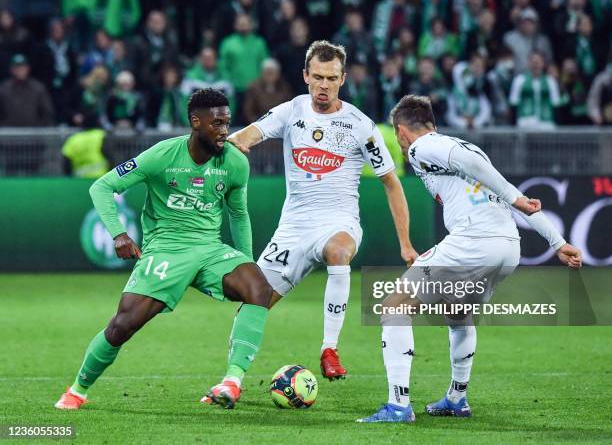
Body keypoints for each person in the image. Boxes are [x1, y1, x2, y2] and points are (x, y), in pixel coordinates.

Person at [357, 95, 582, 423]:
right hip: (507, 247)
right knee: (458, 313)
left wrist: (514, 198)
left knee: (394, 306)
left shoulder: (424, 147)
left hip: (475, 242)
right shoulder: (467, 147)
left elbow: (506, 190)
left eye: (399, 138)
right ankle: (456, 399)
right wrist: (557, 241)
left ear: (401, 132)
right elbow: (507, 190)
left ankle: (397, 406)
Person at [54, 88, 273, 410]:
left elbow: (238, 214)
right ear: (195, 122)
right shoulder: (162, 155)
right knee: (123, 325)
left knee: (259, 288)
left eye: (227, 123)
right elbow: (102, 186)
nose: (225, 131)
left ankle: (231, 381)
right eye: (217, 124)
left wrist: (246, 260)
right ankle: (77, 389)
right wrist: (119, 234)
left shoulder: (235, 162)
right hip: (166, 249)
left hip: (210, 249)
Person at [228, 41, 418, 380]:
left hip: (339, 220)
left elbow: (391, 182)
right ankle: (231, 380)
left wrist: (405, 243)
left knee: (338, 252)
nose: (324, 85)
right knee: (252, 300)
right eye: (317, 77)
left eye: (331, 78)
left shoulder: (360, 125)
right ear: (305, 76)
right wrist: (231, 143)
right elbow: (249, 134)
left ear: (343, 79)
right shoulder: (292, 111)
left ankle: (329, 349)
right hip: (293, 227)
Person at [243, 58, 292, 124]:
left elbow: (290, 109)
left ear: (278, 73)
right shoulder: (253, 88)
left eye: (272, 73)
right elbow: (249, 111)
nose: (270, 76)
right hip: (259, 125)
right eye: (267, 73)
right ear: (262, 73)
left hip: (280, 125)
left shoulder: (284, 88)